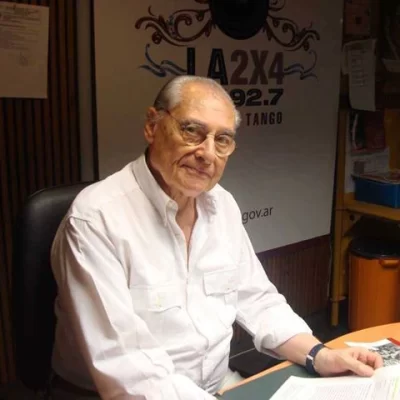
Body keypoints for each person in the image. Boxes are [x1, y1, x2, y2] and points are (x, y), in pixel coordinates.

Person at [50, 75, 383, 400]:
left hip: (215, 385)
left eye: (222, 139)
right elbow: (129, 371)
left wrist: (319, 355)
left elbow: (257, 299)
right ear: (152, 125)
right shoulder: (96, 219)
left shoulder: (221, 205)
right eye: (192, 131)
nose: (207, 153)